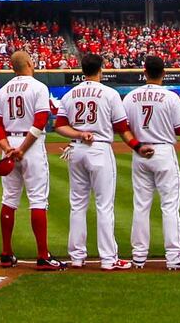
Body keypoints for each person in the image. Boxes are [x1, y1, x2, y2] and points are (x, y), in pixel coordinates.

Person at [58, 52, 150, 270]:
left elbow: (60, 126)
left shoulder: (70, 94)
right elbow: (122, 128)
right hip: (99, 149)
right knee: (104, 205)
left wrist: (79, 134)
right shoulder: (109, 94)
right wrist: (137, 146)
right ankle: (108, 259)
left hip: (76, 149)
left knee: (77, 205)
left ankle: (77, 257)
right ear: (100, 69)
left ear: (82, 70)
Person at [0, 50, 62, 270]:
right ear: (30, 63)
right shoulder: (38, 87)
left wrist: (7, 148)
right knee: (38, 200)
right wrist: (21, 149)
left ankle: (5, 253)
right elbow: (41, 120)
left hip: (9, 144)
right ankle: (42, 256)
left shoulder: (3, 90)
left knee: (9, 199)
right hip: (29, 145)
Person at [124, 55, 180, 270]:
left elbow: (123, 127)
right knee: (170, 206)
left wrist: (136, 144)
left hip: (140, 151)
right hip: (163, 151)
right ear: (163, 74)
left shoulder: (130, 97)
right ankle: (174, 257)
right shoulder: (171, 97)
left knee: (141, 205)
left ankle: (138, 256)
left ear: (144, 72)